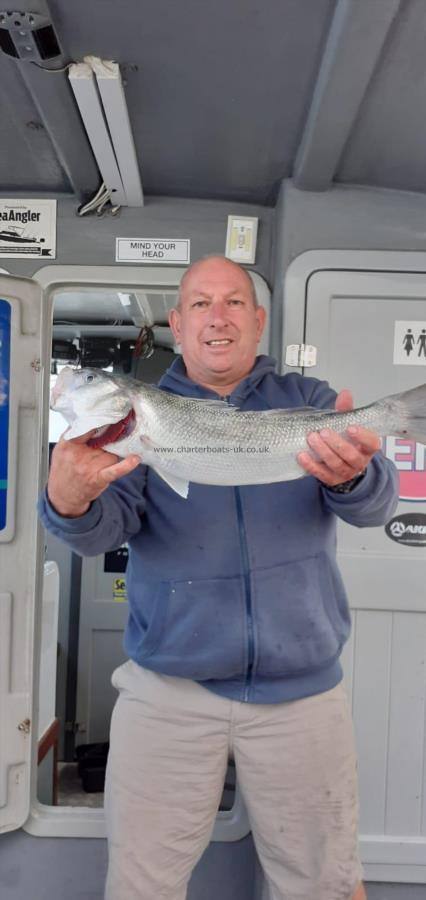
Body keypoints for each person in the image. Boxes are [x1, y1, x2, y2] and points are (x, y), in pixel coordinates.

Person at [39, 255, 399, 900]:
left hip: (302, 693)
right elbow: (101, 534)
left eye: (233, 301)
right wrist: (69, 501)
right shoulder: (129, 428)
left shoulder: (310, 402)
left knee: (327, 885)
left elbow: (373, 508)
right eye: (200, 304)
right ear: (177, 324)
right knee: (140, 885)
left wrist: (351, 473)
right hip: (168, 689)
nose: (218, 317)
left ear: (258, 322)